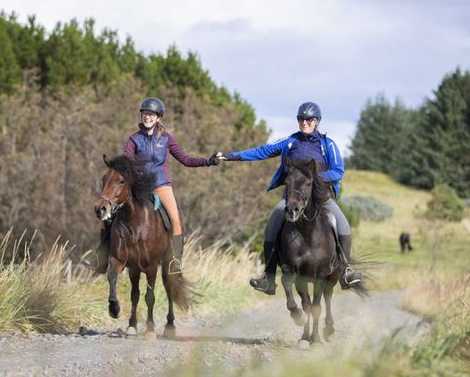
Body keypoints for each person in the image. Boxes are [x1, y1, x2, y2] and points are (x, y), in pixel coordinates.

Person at [216, 102, 361, 294]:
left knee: (342, 225)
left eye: (309, 119)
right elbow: (262, 151)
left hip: (320, 198)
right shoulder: (290, 142)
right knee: (271, 226)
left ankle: (345, 271)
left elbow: (338, 171)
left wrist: (315, 178)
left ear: (317, 122)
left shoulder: (328, 145)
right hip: (292, 199)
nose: (304, 122)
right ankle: (268, 277)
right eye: (301, 119)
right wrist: (231, 156)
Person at [85, 97, 220, 274]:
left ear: (158, 117)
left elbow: (186, 160)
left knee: (175, 219)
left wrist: (207, 161)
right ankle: (100, 258)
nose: (147, 117)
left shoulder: (167, 139)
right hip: (139, 188)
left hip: (161, 185)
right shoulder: (133, 139)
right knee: (107, 217)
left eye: (151, 114)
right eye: (145, 114)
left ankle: (174, 262)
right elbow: (126, 161)